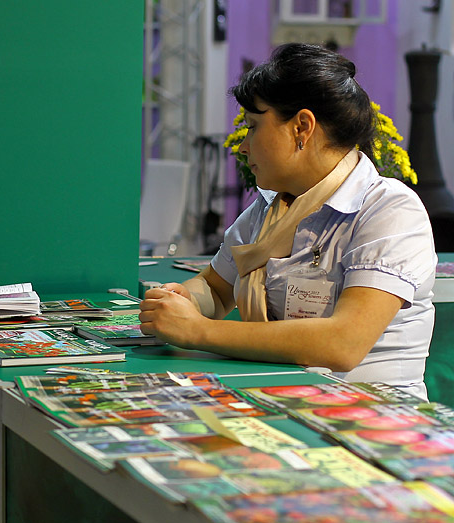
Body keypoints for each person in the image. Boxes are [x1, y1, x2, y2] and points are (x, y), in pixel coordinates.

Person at [140, 43, 436, 400]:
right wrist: (184, 298)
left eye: (252, 127)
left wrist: (197, 330)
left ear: (302, 127)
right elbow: (217, 288)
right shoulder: (272, 208)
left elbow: (342, 344)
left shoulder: (389, 209)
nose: (243, 146)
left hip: (374, 419)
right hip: (282, 399)